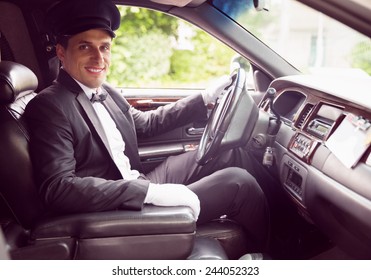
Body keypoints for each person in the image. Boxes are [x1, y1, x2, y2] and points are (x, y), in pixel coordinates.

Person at [24, 0, 269, 251]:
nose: (98, 57)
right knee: (240, 183)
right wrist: (148, 193)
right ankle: (275, 252)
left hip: (138, 180)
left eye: (105, 47)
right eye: (85, 46)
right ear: (61, 52)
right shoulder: (50, 106)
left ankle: (285, 232)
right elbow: (58, 188)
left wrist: (204, 99)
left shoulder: (104, 90)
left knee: (231, 153)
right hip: (116, 207)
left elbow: (147, 124)